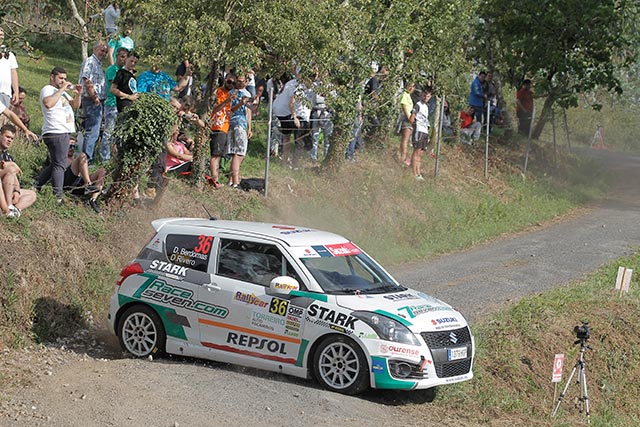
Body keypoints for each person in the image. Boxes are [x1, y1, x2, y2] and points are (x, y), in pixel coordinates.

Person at [35, 67, 82, 203]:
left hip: (63, 131)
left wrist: (78, 94)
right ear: (52, 77)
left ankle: (37, 184)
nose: (64, 81)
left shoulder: (62, 93)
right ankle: (58, 196)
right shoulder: (48, 89)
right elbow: (48, 103)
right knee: (60, 165)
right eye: (60, 78)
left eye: (65, 78)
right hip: (55, 131)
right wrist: (61, 89)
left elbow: (75, 106)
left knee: (57, 162)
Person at [79, 41, 108, 163]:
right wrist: (94, 97)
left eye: (106, 52)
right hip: (92, 101)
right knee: (92, 131)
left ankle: (88, 158)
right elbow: (87, 80)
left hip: (97, 101)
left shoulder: (98, 64)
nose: (104, 54)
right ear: (95, 49)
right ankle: (87, 160)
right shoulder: (90, 61)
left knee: (94, 131)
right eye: (102, 50)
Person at [0, 124, 36, 218]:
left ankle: (15, 210)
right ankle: (8, 207)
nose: (9, 140)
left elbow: (14, 176)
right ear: (0, 134)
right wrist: (11, 165)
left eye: (12, 138)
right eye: (7, 137)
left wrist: (16, 191)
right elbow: (9, 170)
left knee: (32, 194)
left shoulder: (7, 155)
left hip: (7, 189)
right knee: (11, 170)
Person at [208, 74, 236, 188]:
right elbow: (214, 109)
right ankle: (214, 180)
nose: (231, 85)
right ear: (225, 80)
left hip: (225, 127)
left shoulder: (228, 95)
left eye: (233, 83)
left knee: (219, 155)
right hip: (217, 127)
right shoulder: (218, 92)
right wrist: (225, 102)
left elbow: (227, 111)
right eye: (229, 81)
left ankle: (216, 179)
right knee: (215, 155)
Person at [64, 136, 106, 213]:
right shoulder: (61, 157)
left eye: (74, 146)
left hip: (80, 184)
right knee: (82, 156)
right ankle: (88, 184)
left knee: (102, 171)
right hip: (68, 182)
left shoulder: (75, 159)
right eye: (70, 146)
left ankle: (92, 200)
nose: (72, 148)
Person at [103, 47, 129, 161]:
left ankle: (116, 157)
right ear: (117, 56)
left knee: (119, 133)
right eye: (122, 56)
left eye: (126, 57)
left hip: (122, 105)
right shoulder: (112, 70)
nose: (123, 59)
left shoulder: (125, 71)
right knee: (109, 132)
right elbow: (116, 86)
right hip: (112, 103)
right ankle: (105, 158)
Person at [227, 74, 252, 188]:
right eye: (238, 81)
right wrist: (241, 103)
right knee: (239, 153)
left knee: (236, 153)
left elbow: (249, 111)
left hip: (241, 123)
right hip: (236, 123)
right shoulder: (233, 93)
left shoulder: (247, 93)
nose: (240, 84)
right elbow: (232, 109)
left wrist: (250, 127)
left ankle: (231, 179)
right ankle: (236, 181)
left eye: (243, 82)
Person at [410, 87, 432, 180]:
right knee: (416, 152)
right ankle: (414, 173)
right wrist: (415, 126)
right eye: (424, 95)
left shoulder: (426, 107)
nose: (425, 97)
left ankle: (418, 173)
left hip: (424, 131)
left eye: (427, 96)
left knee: (420, 154)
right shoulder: (418, 105)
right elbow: (412, 117)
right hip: (418, 130)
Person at [397, 79, 415, 166]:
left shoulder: (408, 96)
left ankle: (404, 156)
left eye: (413, 86)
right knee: (405, 139)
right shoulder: (404, 95)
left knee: (407, 140)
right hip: (406, 120)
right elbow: (404, 107)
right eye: (410, 86)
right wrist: (409, 118)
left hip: (410, 119)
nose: (411, 88)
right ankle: (403, 157)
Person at [0, 27, 19, 109]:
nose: (1, 34)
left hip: (5, 93)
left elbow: (13, 73)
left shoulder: (9, 54)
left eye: (2, 32)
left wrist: (16, 91)